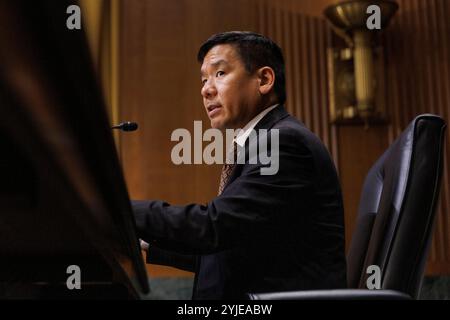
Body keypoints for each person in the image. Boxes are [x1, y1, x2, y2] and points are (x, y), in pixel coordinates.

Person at [132, 31, 346, 300]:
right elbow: (229, 249)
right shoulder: (264, 142)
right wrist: (146, 244)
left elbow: (214, 227)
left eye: (220, 73)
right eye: (204, 79)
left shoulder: (284, 143)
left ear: (264, 80)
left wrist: (122, 210)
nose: (206, 89)